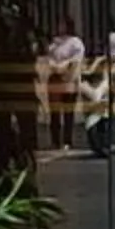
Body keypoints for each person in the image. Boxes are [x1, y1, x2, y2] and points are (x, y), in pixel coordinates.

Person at [37, 19, 85, 154]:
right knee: (54, 112)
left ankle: (67, 140)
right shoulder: (55, 43)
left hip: (69, 78)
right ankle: (55, 140)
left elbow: (76, 60)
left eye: (62, 24)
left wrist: (64, 65)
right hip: (55, 79)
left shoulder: (76, 43)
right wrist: (54, 66)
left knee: (68, 112)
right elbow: (49, 58)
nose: (60, 27)